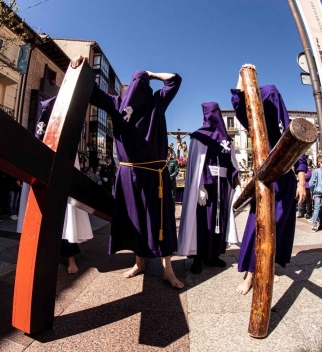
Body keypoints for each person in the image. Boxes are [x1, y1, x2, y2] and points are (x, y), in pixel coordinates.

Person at [80, 56, 184, 289]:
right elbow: (175, 80)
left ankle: (168, 270)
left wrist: (84, 69)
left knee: (160, 220)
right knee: (135, 219)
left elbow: (92, 90)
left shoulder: (140, 103)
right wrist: (151, 74)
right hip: (132, 174)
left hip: (154, 174)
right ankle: (140, 263)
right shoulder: (153, 100)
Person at [230, 80, 307, 295]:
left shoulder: (289, 125)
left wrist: (301, 182)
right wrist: (240, 77)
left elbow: (301, 153)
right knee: (257, 226)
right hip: (264, 180)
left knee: (278, 227)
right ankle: (250, 274)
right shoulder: (255, 123)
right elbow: (238, 102)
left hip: (285, 182)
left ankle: (267, 267)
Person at [30, 92, 94, 274]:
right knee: (43, 220)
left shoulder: (67, 130)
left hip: (62, 182)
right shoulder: (42, 125)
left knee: (67, 219)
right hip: (45, 181)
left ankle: (71, 259)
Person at [178, 102, 241, 274]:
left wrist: (236, 184)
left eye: (215, 112)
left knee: (218, 222)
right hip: (206, 187)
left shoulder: (226, 140)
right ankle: (197, 257)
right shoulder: (199, 137)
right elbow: (198, 164)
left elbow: (232, 165)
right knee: (203, 222)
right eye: (209, 112)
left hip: (222, 186)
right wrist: (200, 185)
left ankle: (213, 255)